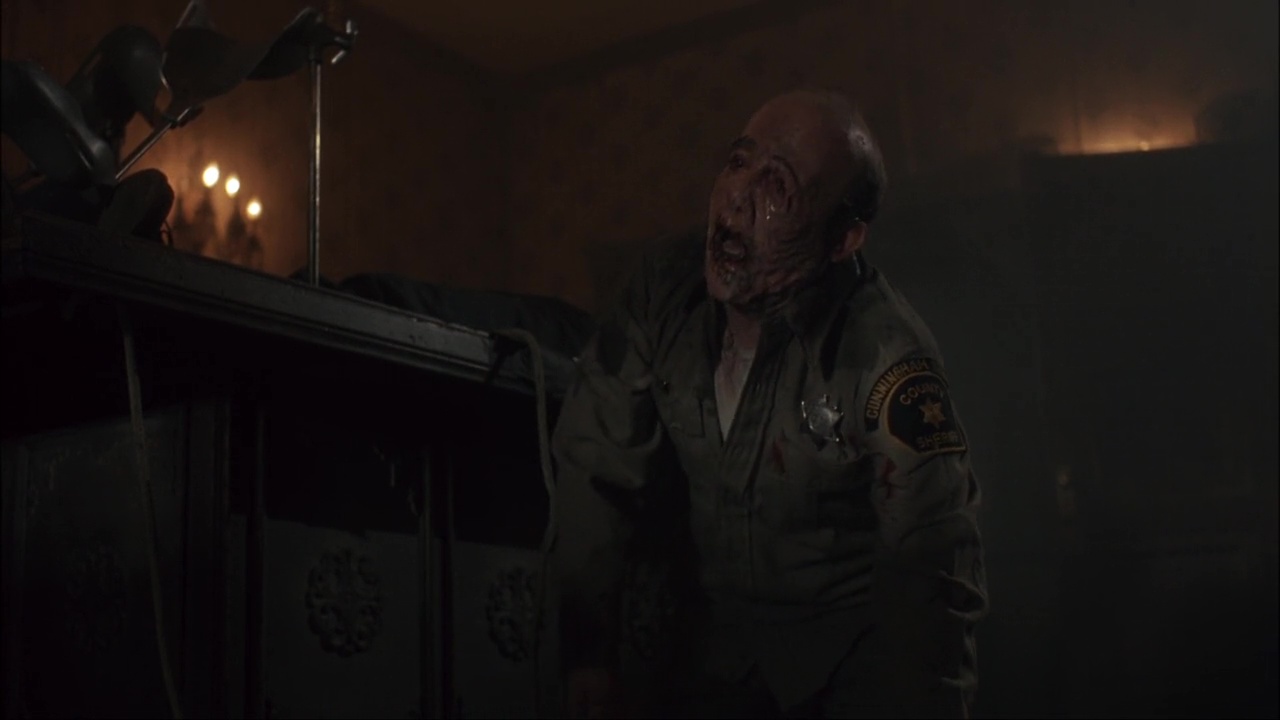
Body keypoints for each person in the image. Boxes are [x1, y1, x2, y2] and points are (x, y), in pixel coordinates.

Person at [550, 89, 988, 719]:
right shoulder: (663, 289)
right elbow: (596, 462)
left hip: (844, 676)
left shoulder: (885, 355)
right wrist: (586, 652)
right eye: (737, 162)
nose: (736, 197)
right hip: (701, 659)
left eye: (777, 185)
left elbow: (933, 565)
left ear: (843, 239)